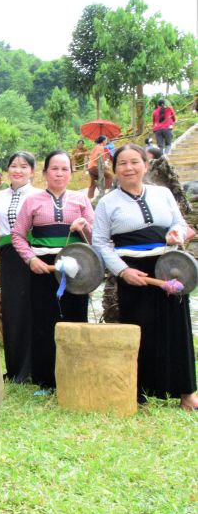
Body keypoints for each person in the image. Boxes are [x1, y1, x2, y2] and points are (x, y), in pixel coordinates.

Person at [92, 144, 197, 411]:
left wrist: (176, 234)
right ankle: (138, 393)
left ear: (145, 165)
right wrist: (123, 271)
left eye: (134, 162)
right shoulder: (107, 203)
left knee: (178, 330)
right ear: (115, 170)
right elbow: (101, 244)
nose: (129, 168)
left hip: (169, 269)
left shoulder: (162, 194)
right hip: (134, 274)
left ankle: (187, 393)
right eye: (122, 164)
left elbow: (180, 224)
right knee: (140, 332)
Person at [11, 151, 93, 390]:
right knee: (44, 322)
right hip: (42, 270)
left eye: (64, 168)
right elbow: (17, 235)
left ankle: (76, 377)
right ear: (45, 173)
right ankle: (45, 381)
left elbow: (95, 237)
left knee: (76, 318)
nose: (59, 173)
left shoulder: (81, 200)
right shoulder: (33, 201)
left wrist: (83, 226)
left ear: (71, 172)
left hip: (76, 269)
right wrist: (30, 259)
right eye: (54, 168)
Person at [0, 151, 39, 382]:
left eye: (24, 166)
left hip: (35, 256)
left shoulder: (40, 195)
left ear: (33, 172)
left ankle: (37, 367)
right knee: (13, 309)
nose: (18, 170)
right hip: (9, 258)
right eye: (14, 165)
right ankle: (16, 368)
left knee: (35, 309)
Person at [87, 135, 113, 199]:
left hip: (90, 167)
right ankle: (107, 193)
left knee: (93, 183)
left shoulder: (96, 147)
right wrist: (105, 165)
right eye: (106, 140)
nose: (107, 141)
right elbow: (98, 157)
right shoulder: (100, 147)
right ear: (103, 140)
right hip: (95, 166)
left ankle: (89, 198)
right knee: (109, 176)